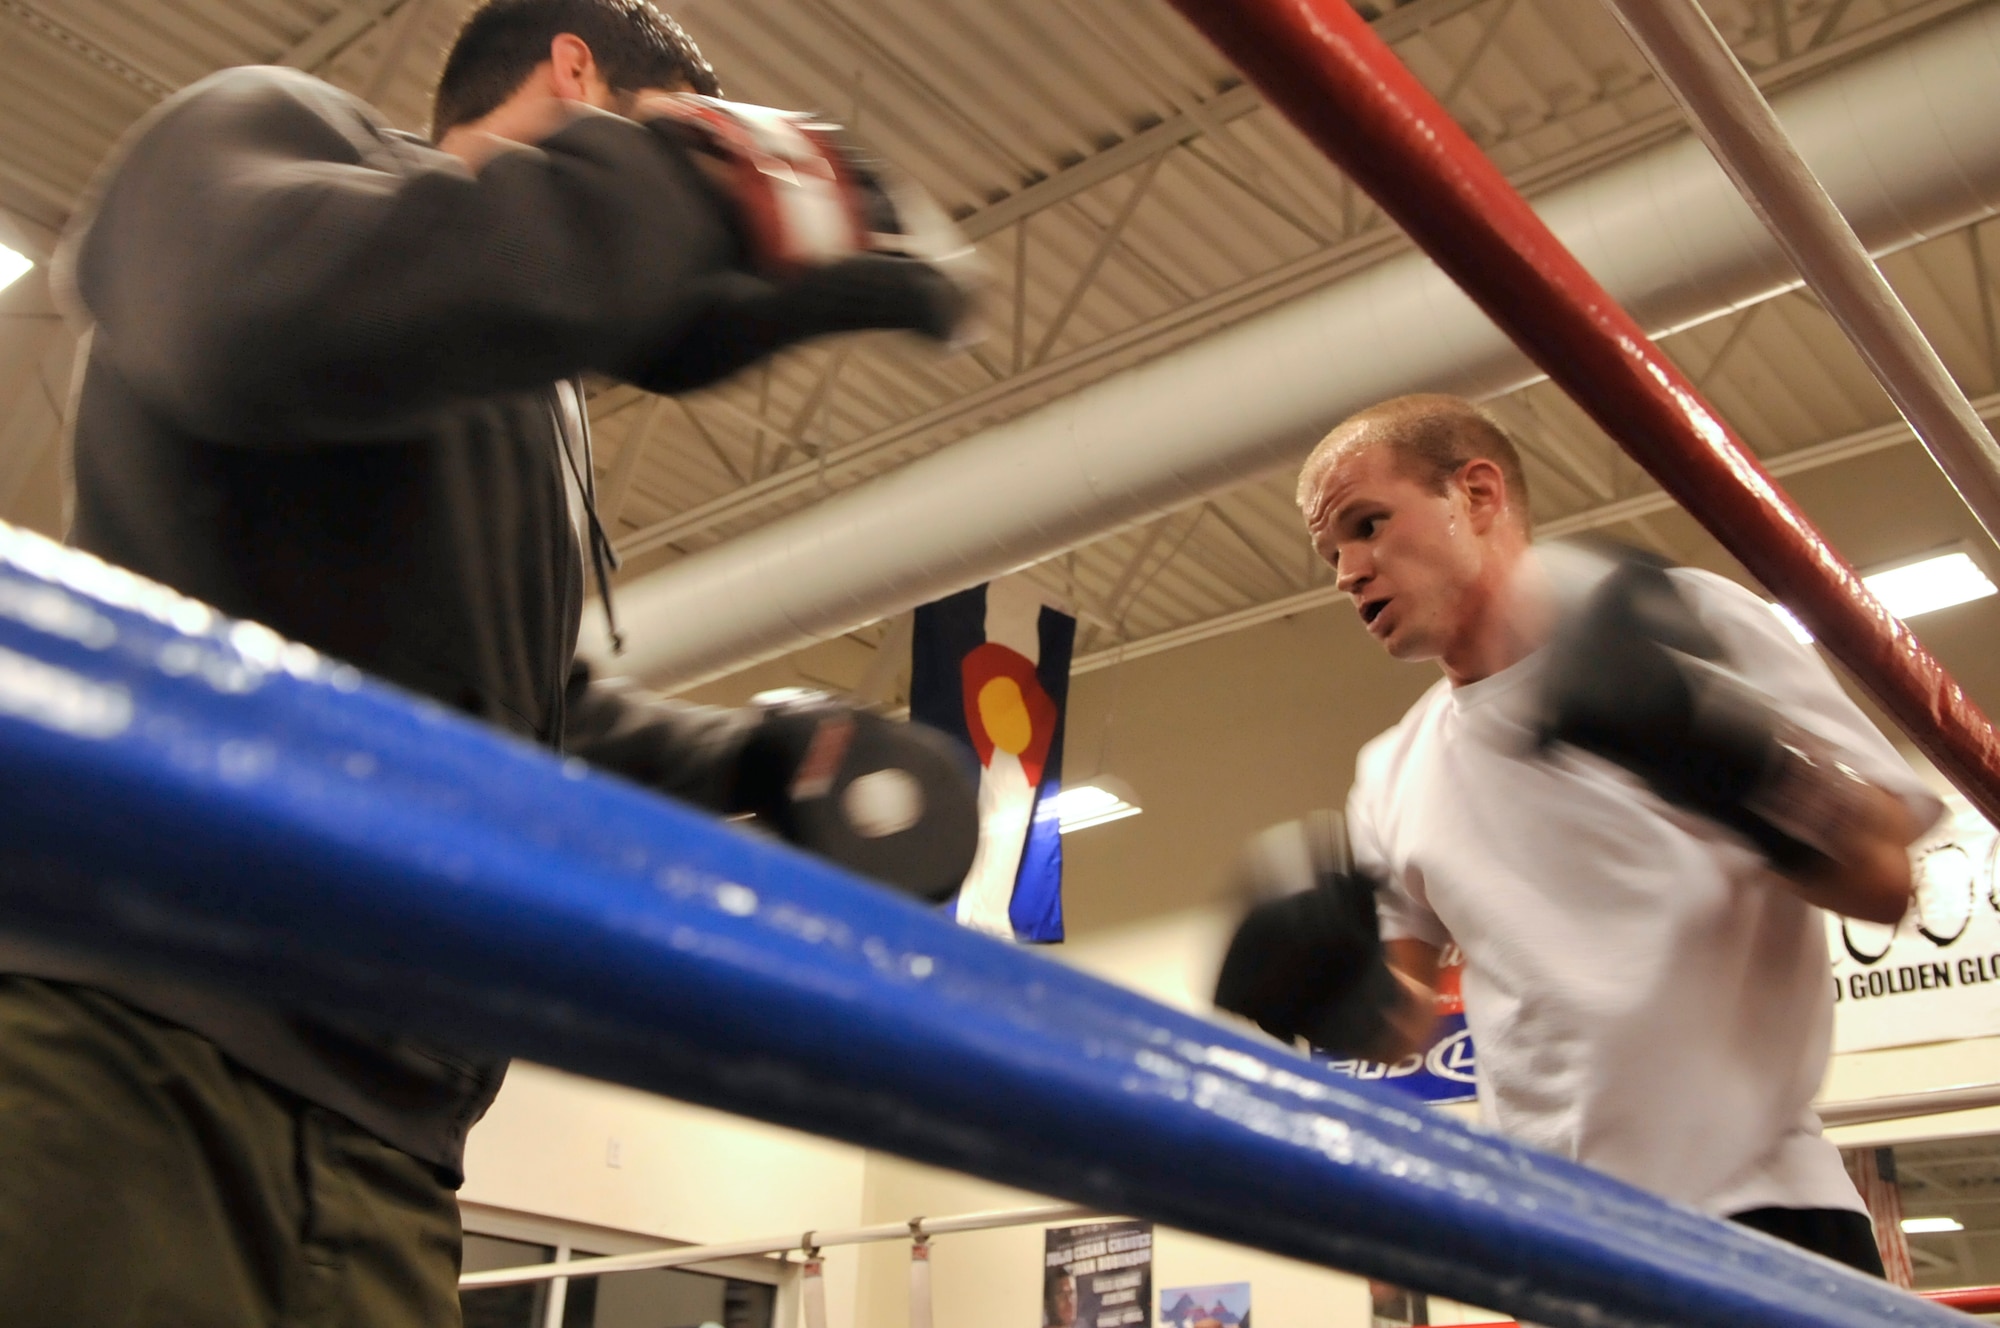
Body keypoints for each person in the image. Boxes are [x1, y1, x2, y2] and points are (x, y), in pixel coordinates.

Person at [0, 1, 981, 1323]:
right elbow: (247, 315)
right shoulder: (272, 129)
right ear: (576, 68)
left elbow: (527, 720)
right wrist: (656, 198)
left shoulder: (523, 386)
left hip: (396, 1127)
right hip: (141, 1040)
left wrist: (764, 750)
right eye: (679, 130)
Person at [1215, 393, 1939, 1275]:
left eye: (1367, 525)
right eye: (1331, 552)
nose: (1345, 571)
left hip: (1762, 1214)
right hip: (1564, 1245)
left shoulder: (1688, 621)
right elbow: (1400, 1021)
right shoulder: (1389, 771)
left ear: (1476, 495)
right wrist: (1319, 993)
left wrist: (1735, 764)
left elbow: (1884, 879)